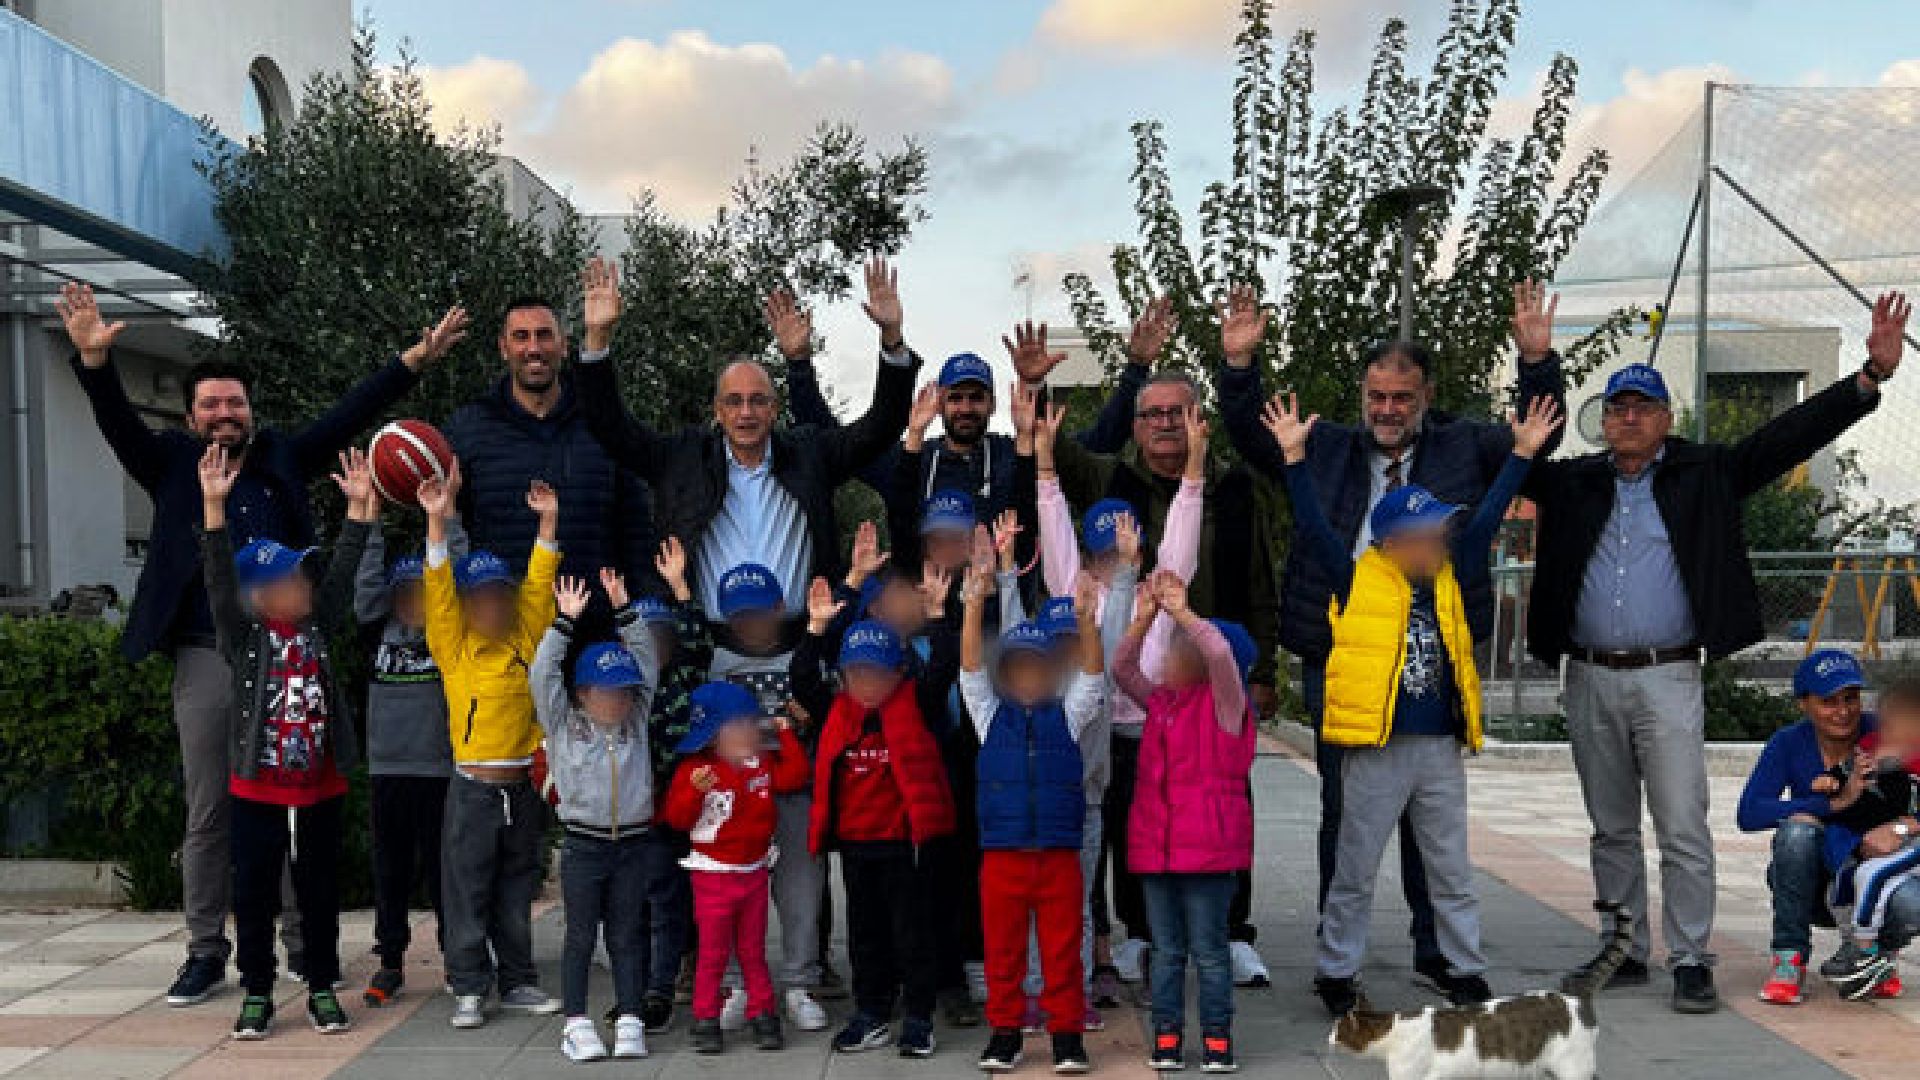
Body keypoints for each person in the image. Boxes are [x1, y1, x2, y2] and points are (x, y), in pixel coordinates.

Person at [54, 282, 460, 1005]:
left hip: (288, 659)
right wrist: (94, 362)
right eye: (210, 404)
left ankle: (302, 947)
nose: (224, 414)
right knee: (213, 810)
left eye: (234, 403)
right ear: (190, 417)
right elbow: (115, 422)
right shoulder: (170, 463)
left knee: (295, 805)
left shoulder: (281, 458)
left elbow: (350, 414)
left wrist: (413, 362)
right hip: (208, 655)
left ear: (250, 411)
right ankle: (206, 952)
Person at [1523, 291, 1909, 1014]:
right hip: (1590, 675)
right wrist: (1538, 362)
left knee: (1680, 824)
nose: (1628, 418)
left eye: (1642, 407)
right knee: (1610, 826)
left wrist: (1867, 379)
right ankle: (1622, 946)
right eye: (1617, 407)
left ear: (1666, 419)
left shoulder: (1705, 474)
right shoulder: (1573, 483)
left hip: (1668, 673)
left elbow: (1787, 436)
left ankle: (1691, 957)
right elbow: (1525, 444)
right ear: (1603, 419)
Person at [1218, 281, 1567, 984]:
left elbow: (1539, 437)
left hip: (1430, 660)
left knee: (1431, 823)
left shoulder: (1464, 445)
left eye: (1401, 398)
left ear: (1426, 397)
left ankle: (1436, 951)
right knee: (1344, 808)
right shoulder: (1327, 448)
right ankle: (1336, 954)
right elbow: (1256, 438)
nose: (1386, 409)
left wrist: (1537, 361)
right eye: (1376, 396)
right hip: (1341, 654)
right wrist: (1239, 367)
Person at [1264, 393, 1558, 1014]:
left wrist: (1522, 454)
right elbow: (1313, 526)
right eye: (1428, 534)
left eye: (1440, 532)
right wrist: (1293, 458)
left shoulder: (1450, 573)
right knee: (1355, 866)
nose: (1439, 541)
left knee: (1450, 865)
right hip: (1376, 749)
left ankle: (1464, 966)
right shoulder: (1356, 579)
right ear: (1394, 542)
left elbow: (1488, 517)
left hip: (1438, 749)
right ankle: (1336, 971)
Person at [1038, 322, 1281, 984]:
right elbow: (1054, 470)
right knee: (1134, 821)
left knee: (1223, 806)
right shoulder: (1113, 481)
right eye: (1153, 414)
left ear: (1198, 419)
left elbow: (1259, 581)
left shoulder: (1232, 490)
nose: (1166, 423)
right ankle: (1143, 931)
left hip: (1214, 683)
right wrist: (1039, 388)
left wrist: (1262, 672)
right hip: (1137, 702)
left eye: (1178, 412)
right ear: (1137, 426)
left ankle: (1232, 933)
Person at [577, 256, 918, 619]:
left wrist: (892, 337)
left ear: (773, 409)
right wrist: (597, 339)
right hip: (707, 642)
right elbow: (611, 428)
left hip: (801, 639)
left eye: (757, 401)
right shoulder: (682, 460)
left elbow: (879, 429)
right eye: (734, 401)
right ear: (718, 411)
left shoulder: (810, 455)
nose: (745, 413)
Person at [197, 444, 375, 1039]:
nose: (302, 584)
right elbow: (219, 582)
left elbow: (343, 575)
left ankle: (321, 985)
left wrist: (359, 513)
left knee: (319, 891)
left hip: (320, 787)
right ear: (260, 594)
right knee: (253, 894)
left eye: (300, 574)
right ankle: (257, 990)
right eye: (288, 578)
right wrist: (214, 512)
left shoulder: (317, 626)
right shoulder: (244, 640)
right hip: (258, 791)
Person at [777, 294, 1163, 535]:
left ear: (993, 404)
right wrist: (798, 363)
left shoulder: (1017, 456)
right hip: (928, 624)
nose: (965, 408)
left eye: (976, 398)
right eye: (956, 398)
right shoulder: (910, 462)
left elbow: (1099, 444)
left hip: (1007, 625)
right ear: (940, 403)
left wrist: (1136, 369)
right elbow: (828, 441)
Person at [417, 460, 563, 1028]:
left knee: (516, 888)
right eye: (478, 599)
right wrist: (436, 521)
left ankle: (519, 980)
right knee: (468, 891)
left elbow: (540, 586)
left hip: (521, 787)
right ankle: (469, 986)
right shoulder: (453, 647)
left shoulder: (527, 637)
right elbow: (437, 588)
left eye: (500, 597)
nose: (492, 607)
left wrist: (547, 523)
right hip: (473, 791)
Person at [794, 588, 958, 1058]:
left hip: (905, 844)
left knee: (913, 933)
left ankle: (919, 1017)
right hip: (856, 845)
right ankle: (871, 1012)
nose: (867, 682)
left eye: (877, 672)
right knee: (865, 935)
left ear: (899, 672)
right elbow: (802, 677)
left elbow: (944, 667)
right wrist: (816, 629)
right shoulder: (836, 710)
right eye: (857, 673)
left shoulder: (916, 702)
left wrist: (937, 615)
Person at [962, 556, 1107, 1075]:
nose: (1027, 676)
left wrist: (1086, 623)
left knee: (1062, 950)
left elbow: (1093, 675)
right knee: (1003, 952)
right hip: (1002, 857)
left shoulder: (1068, 714)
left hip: (1057, 856)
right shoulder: (988, 716)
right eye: (1017, 667)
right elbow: (969, 670)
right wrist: (973, 604)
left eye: (1037, 668)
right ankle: (1005, 1034)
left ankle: (1067, 1035)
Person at [1114, 571, 1258, 1073]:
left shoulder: (1226, 708)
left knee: (1210, 951)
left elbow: (1218, 654)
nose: (1165, 659)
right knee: (1166, 951)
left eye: (1176, 650)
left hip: (1209, 856)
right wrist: (1144, 619)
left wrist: (1181, 611)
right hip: (1158, 852)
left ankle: (1217, 1037)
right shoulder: (1160, 703)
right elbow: (1121, 668)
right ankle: (1167, 1035)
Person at [444, 286, 657, 610]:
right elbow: (447, 526)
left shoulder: (605, 424)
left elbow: (637, 530)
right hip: (502, 627)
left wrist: (643, 614)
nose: (533, 348)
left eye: (544, 335)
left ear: (564, 345)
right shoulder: (467, 429)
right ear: (503, 348)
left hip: (597, 625)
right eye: (521, 337)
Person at [536, 571, 660, 1062]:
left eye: (624, 691)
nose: (617, 700)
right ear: (583, 693)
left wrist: (626, 611)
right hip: (584, 845)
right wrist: (563, 624)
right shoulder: (564, 723)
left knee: (627, 935)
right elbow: (542, 674)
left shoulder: (636, 721)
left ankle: (630, 1018)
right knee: (581, 937)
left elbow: (646, 661)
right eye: (606, 691)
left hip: (632, 844)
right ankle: (576, 1022)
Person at [704, 561, 830, 1032]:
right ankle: (737, 985)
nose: (751, 622)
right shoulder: (713, 661)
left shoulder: (806, 654)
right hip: (735, 798)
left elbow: (832, 710)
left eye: (760, 611)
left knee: (801, 890)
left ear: (779, 608)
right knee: (732, 895)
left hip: (793, 789)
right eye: (741, 614)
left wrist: (809, 717)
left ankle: (800, 983)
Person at [660, 683, 812, 1055]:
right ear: (713, 734)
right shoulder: (697, 770)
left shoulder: (760, 763)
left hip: (753, 872)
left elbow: (794, 776)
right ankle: (706, 1017)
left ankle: (763, 1013)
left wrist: (786, 735)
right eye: (738, 726)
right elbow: (676, 818)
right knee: (713, 953)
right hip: (713, 875)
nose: (749, 733)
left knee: (752, 950)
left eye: (751, 724)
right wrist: (694, 791)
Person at [354, 516, 464, 1008]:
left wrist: (446, 518)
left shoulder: (447, 635)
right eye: (403, 594)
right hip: (388, 770)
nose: (412, 602)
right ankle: (391, 960)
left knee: (444, 872)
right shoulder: (377, 632)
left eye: (420, 593)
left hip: (437, 770)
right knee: (390, 870)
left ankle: (456, 959)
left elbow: (455, 573)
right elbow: (364, 590)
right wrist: (372, 523)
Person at [1736, 649, 1878, 1005]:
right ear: (1804, 704)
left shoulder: (1882, 733)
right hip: (1812, 881)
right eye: (1829, 701)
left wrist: (1904, 826)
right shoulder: (1788, 742)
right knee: (1797, 833)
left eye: (1851, 698)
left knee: (1906, 894)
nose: (1843, 711)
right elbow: (1749, 813)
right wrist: (1828, 805)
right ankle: (1789, 959)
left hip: (1871, 874)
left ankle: (1875, 957)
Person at [631, 538, 712, 1031]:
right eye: (642, 639)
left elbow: (699, 638)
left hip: (685, 808)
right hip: (639, 813)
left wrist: (680, 587)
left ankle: (676, 977)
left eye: (661, 637)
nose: (653, 647)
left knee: (682, 898)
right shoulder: (626, 690)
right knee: (649, 901)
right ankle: (649, 988)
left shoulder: (685, 678)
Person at [1815, 677, 1920, 1000]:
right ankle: (1865, 953)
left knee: (1874, 878)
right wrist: (1833, 781)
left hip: (1909, 845)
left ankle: (1867, 951)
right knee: (1848, 884)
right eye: (1889, 719)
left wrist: (1903, 827)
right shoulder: (1872, 745)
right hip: (1869, 840)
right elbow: (1846, 769)